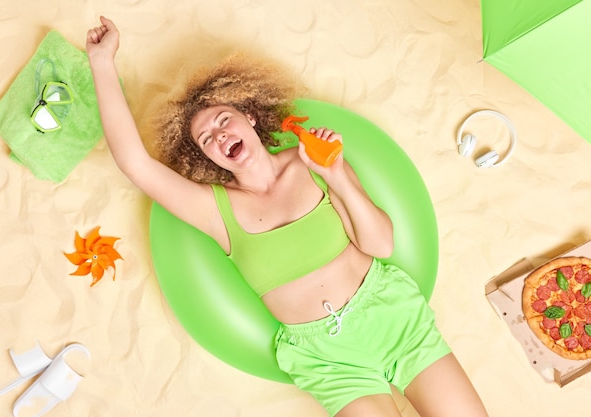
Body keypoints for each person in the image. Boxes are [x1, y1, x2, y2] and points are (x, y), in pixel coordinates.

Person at [86, 16, 490, 417]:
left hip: (390, 315)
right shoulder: (214, 210)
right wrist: (103, 62)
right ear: (203, 156)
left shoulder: (311, 159)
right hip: (328, 360)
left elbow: (381, 244)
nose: (219, 135)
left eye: (224, 120)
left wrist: (338, 178)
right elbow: (135, 164)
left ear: (252, 117)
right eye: (206, 139)